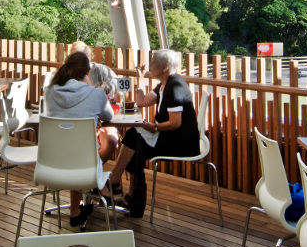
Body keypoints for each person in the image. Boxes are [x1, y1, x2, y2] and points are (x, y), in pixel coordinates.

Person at [107, 49, 199, 215]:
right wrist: (140, 78)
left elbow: (175, 123)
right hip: (167, 135)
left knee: (135, 138)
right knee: (133, 136)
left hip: (179, 141)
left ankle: (118, 183)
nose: (149, 64)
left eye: (153, 61)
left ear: (164, 67)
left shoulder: (175, 86)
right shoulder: (163, 85)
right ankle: (128, 194)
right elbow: (141, 102)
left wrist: (154, 127)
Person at [44, 51, 113, 228]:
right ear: (87, 72)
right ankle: (102, 192)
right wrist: (92, 87)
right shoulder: (95, 95)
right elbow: (108, 115)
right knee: (83, 151)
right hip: (86, 166)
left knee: (71, 149)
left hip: (52, 164)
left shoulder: (50, 92)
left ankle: (76, 211)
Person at [88, 63, 121, 163]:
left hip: (97, 126)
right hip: (77, 130)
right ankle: (93, 169)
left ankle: (95, 166)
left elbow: (116, 82)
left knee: (111, 140)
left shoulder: (100, 70)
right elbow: (108, 115)